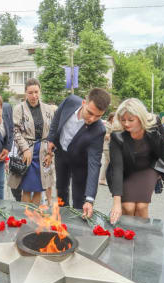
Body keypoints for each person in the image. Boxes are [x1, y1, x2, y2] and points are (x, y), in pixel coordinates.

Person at [45, 88, 111, 218]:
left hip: (81, 163)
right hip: (61, 155)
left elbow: (94, 164)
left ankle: (77, 228)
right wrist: (51, 138)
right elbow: (57, 116)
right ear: (83, 103)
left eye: (98, 116)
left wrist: (90, 199)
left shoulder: (99, 130)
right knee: (61, 190)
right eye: (90, 113)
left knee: (79, 199)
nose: (92, 119)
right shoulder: (70, 100)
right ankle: (61, 219)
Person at [107, 98, 164, 224]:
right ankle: (124, 238)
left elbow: (163, 147)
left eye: (131, 120)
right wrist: (116, 203)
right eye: (123, 120)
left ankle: (142, 240)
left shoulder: (154, 125)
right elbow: (117, 168)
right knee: (127, 207)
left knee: (141, 206)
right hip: (125, 171)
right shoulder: (117, 136)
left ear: (140, 118)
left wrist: (162, 171)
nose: (126, 124)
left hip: (148, 168)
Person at [8, 78, 55, 205]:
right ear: (25, 93)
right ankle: (26, 218)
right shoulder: (19, 109)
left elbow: (53, 133)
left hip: (44, 152)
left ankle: (35, 219)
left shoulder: (48, 109)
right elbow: (15, 131)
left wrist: (51, 154)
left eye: (36, 92)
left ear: (40, 91)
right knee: (27, 189)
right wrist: (25, 149)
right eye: (30, 92)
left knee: (39, 189)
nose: (34, 95)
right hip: (27, 152)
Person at [99, 112, 115, 186]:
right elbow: (104, 136)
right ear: (111, 117)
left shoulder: (112, 125)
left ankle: (102, 179)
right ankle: (108, 179)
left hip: (110, 146)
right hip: (107, 147)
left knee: (107, 163)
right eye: (114, 117)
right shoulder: (107, 125)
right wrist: (112, 135)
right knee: (112, 163)